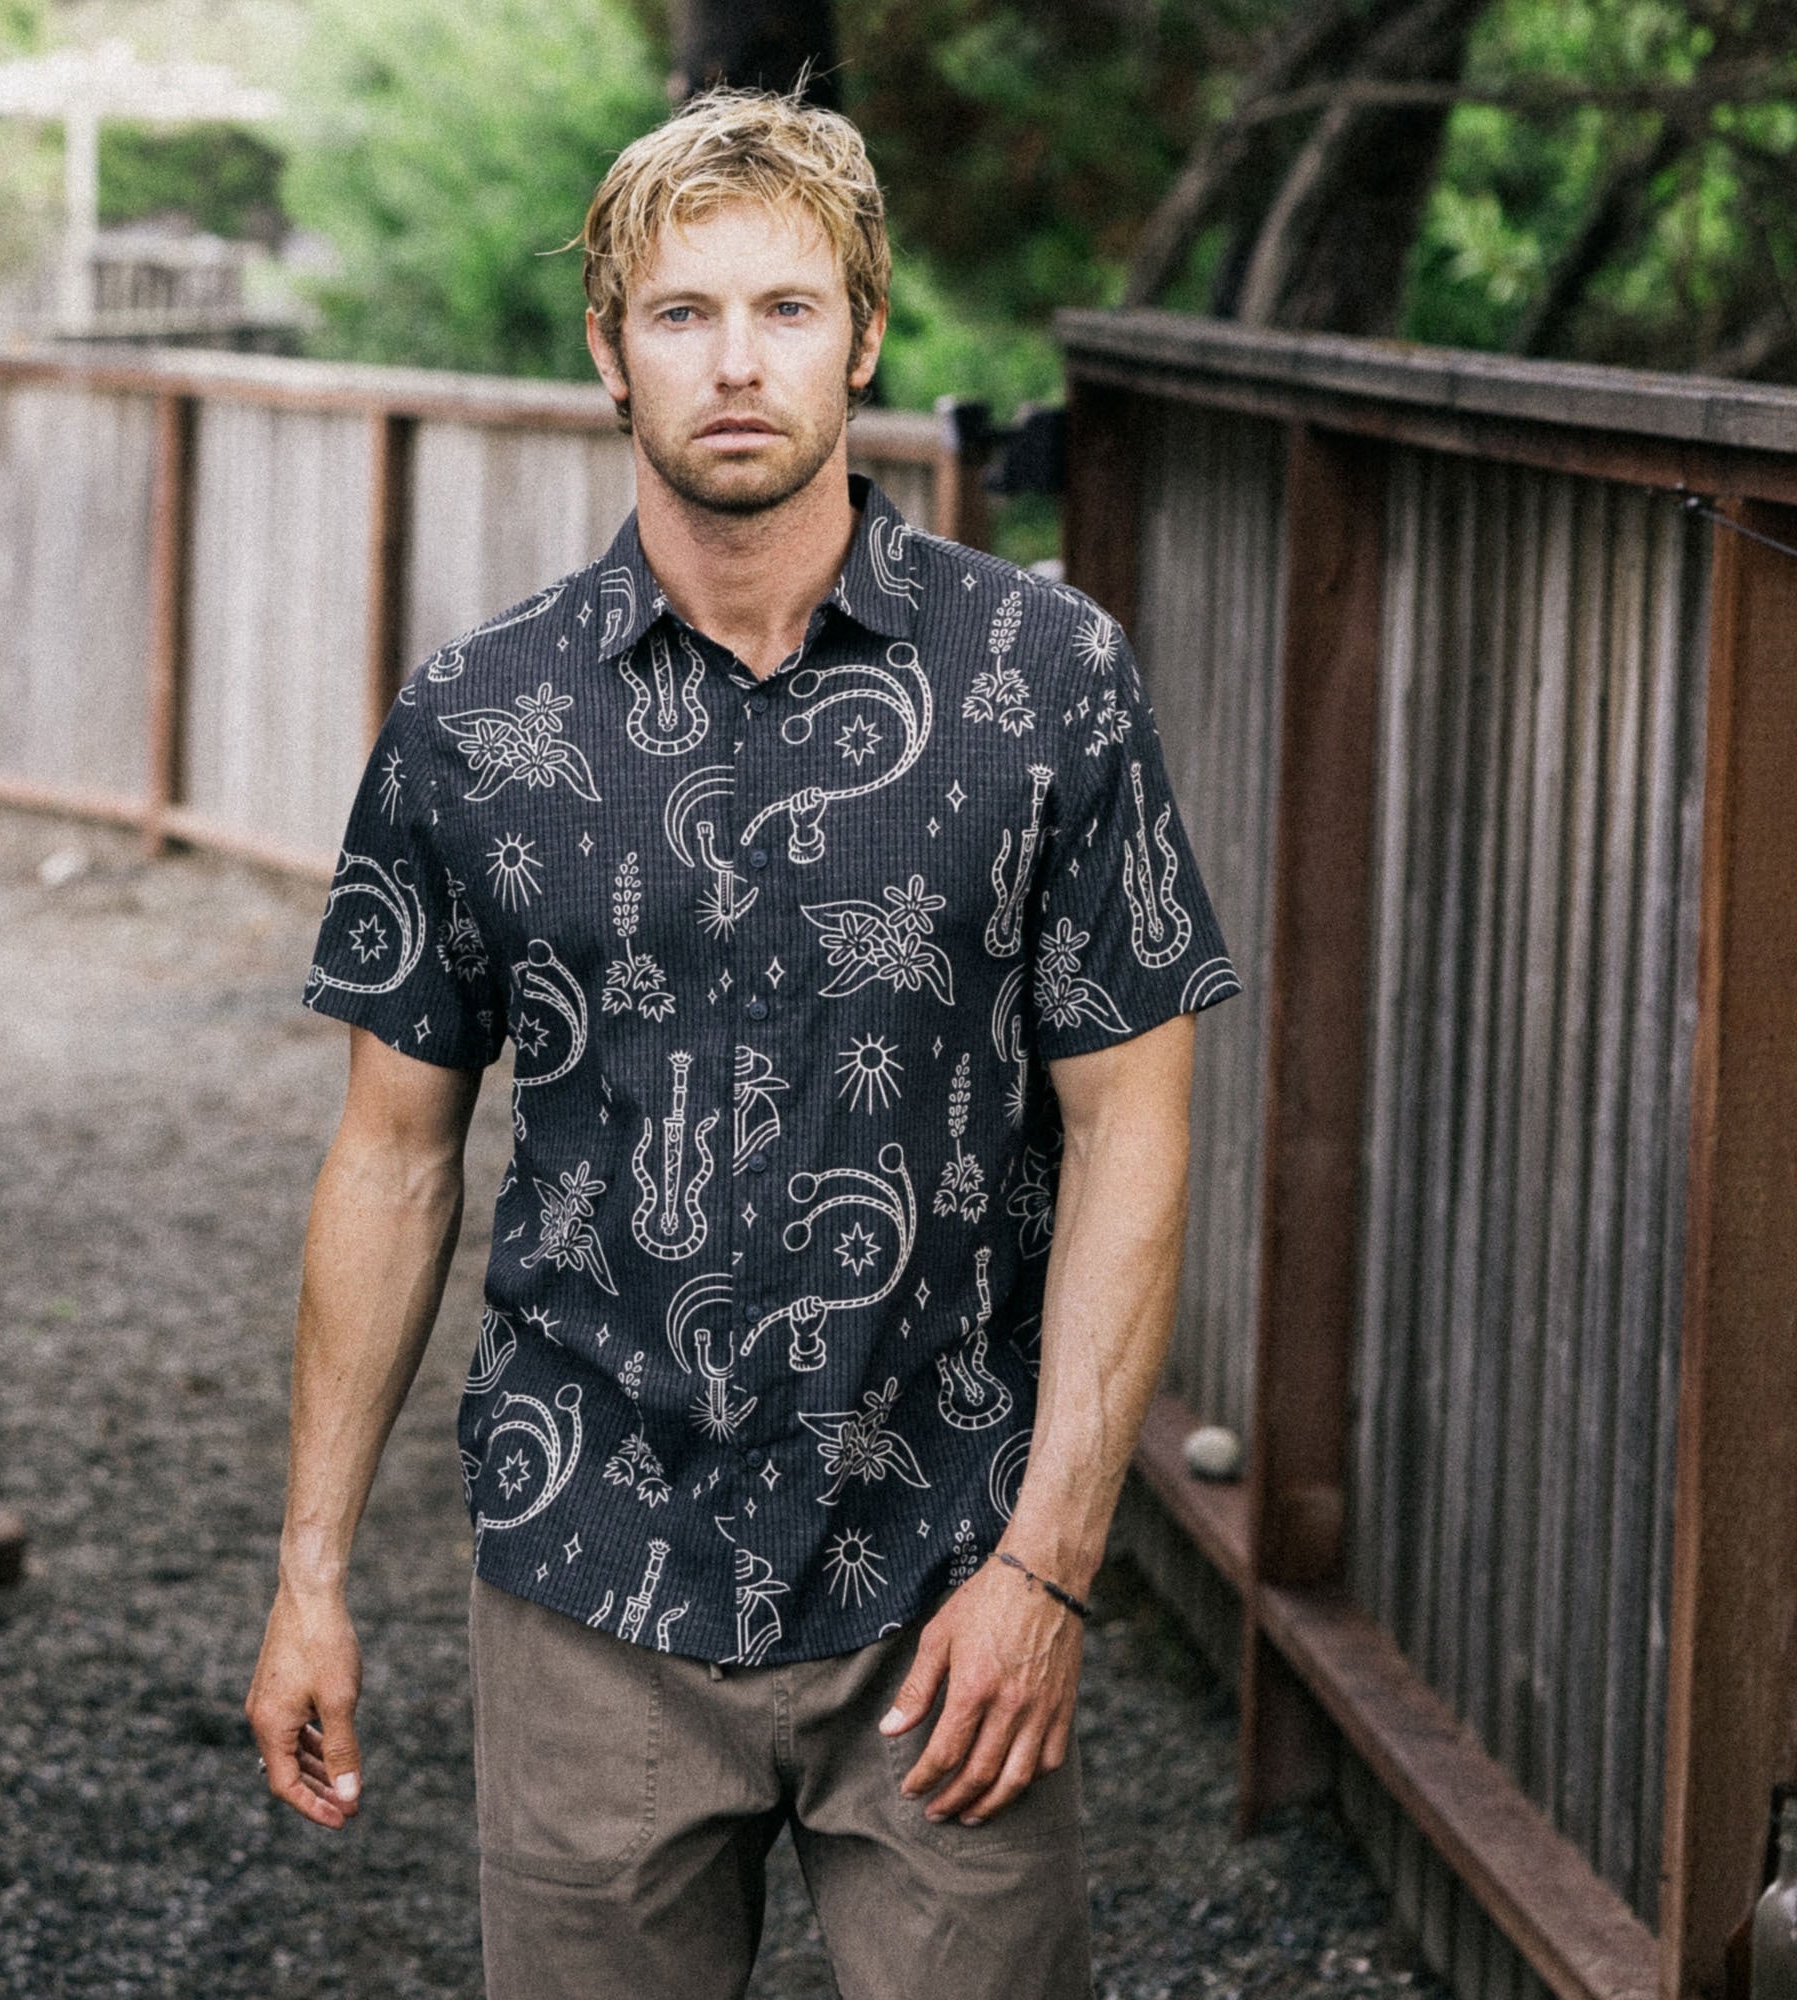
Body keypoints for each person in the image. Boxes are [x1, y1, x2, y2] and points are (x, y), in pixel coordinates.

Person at [246, 83, 1239, 2000]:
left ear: (865, 335)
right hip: (590, 1556)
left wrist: (1049, 1569)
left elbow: (1137, 1124)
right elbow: (392, 1154)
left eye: (786, 310)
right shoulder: (477, 718)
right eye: (682, 314)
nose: (735, 365)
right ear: (607, 348)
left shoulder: (1045, 683)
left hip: (948, 1567)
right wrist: (309, 1573)